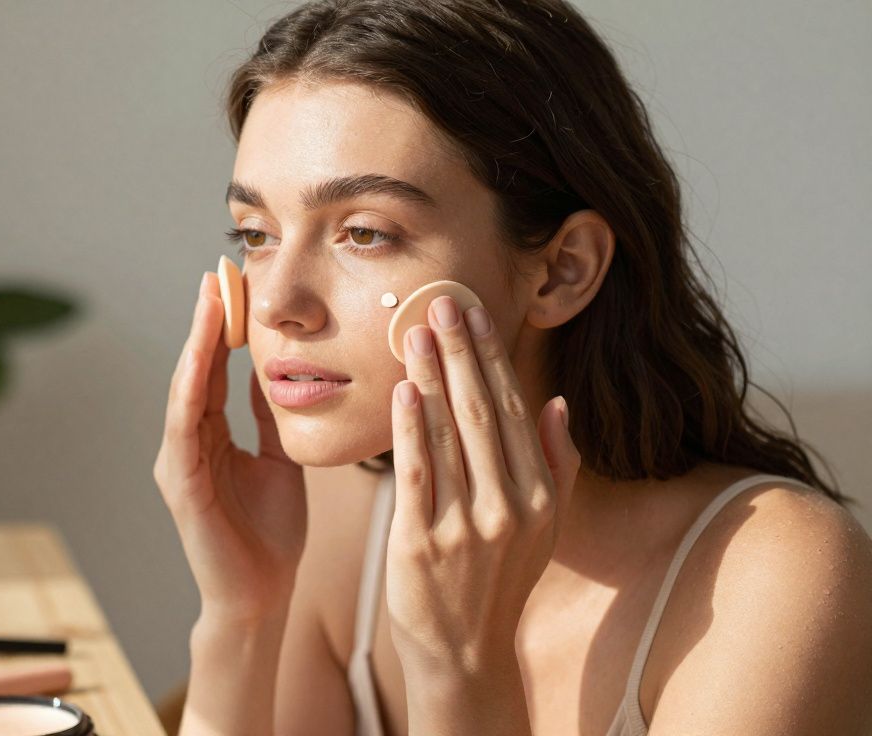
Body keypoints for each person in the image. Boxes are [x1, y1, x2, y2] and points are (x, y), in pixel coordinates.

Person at [152, 1, 872, 733]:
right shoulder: (341, 509)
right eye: (256, 233)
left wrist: (459, 665)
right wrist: (244, 614)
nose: (274, 301)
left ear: (562, 270)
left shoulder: (778, 580)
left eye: (364, 233)